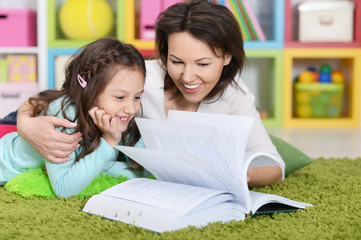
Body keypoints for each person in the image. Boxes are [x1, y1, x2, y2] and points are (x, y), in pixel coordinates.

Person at [16, 0, 285, 188]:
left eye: (203, 64)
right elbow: (53, 99)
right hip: (73, 121)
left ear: (227, 57)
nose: (188, 77)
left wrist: (228, 175)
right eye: (176, 61)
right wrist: (26, 124)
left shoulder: (234, 95)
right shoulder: (141, 77)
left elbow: (274, 166)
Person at [0, 38, 147, 197]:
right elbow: (63, 189)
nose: (131, 108)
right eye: (119, 97)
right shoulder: (65, 115)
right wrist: (109, 143)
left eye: (137, 97)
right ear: (89, 90)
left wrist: (102, 164)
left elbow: (144, 169)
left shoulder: (120, 115)